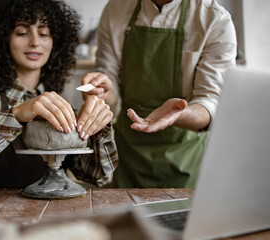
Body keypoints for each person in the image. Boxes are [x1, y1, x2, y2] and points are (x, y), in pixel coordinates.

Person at [0, 0, 118, 189]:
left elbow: (97, 176)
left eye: (43, 33)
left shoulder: (61, 102)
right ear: (2, 37)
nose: (35, 42)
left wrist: (98, 129)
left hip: (48, 216)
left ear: (55, 42)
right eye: (22, 32)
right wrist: (15, 115)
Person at [81, 0, 237, 188]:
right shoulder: (116, 9)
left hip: (184, 156)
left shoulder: (214, 19)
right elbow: (110, 81)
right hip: (129, 153)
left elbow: (211, 102)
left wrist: (179, 113)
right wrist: (102, 89)